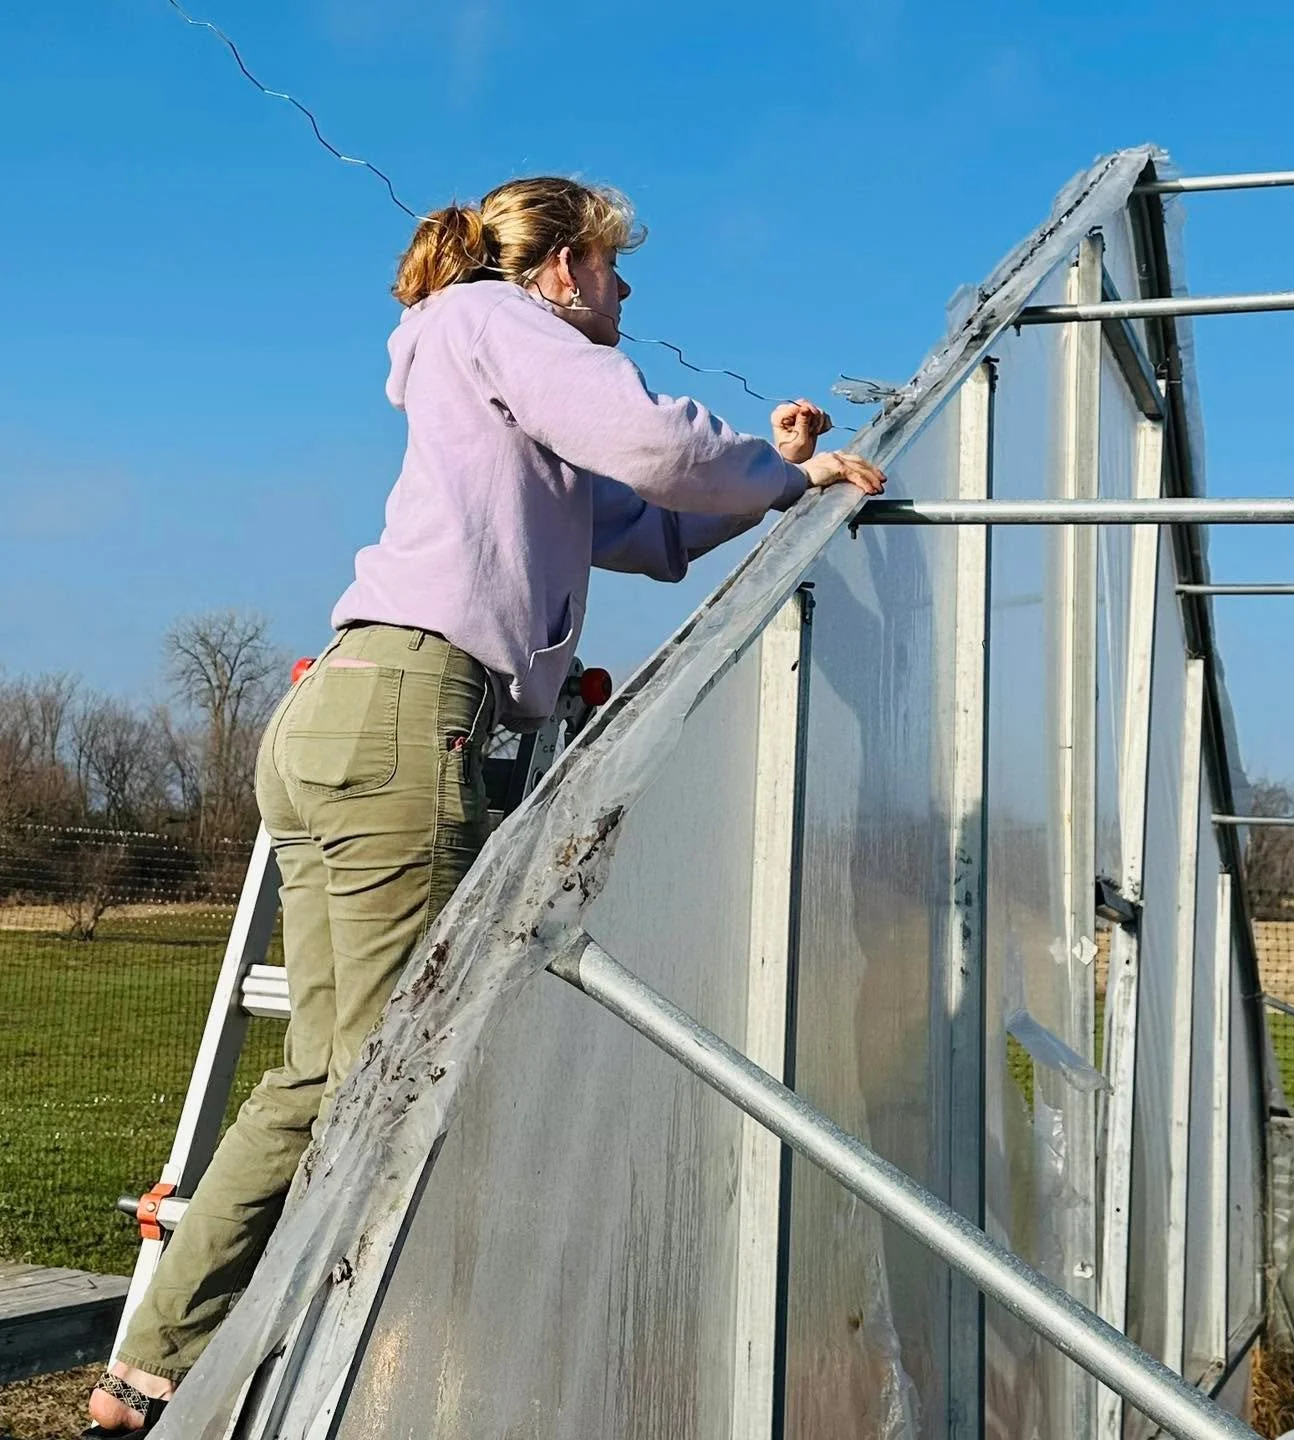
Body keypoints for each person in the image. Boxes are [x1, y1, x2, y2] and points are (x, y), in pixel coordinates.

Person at [87, 175, 883, 1434]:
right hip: (411, 713)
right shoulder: (498, 320)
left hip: (364, 711)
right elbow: (664, 447)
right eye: (618, 272)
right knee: (393, 1079)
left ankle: (148, 1371)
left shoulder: (502, 389)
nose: (627, 296)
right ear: (564, 268)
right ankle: (338, 1374)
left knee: (324, 1074)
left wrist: (778, 475)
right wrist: (750, 467)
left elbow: (655, 522)